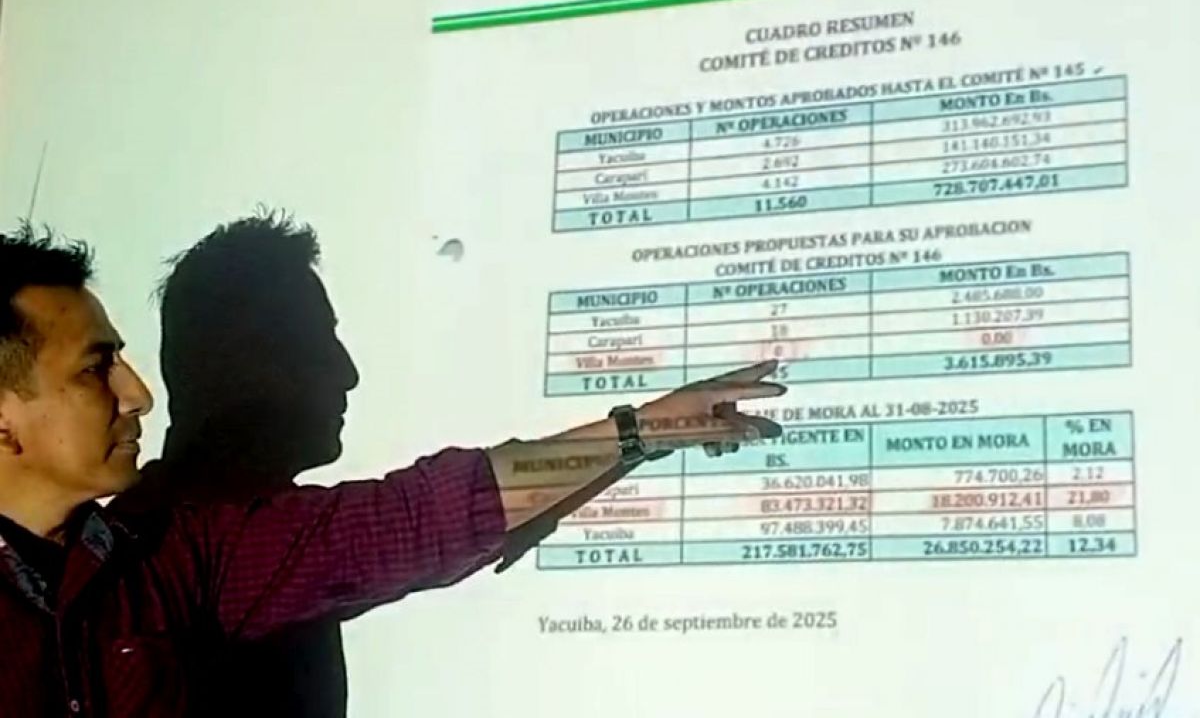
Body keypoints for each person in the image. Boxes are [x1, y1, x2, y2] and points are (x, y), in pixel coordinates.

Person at [0, 220, 785, 717]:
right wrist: (636, 435)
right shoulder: (179, 547)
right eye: (96, 369)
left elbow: (423, 517)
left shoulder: (176, 562)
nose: (135, 394)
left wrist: (639, 432)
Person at [109, 212, 363, 717]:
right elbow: (425, 518)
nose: (346, 372)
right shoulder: (199, 549)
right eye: (314, 343)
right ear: (238, 363)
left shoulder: (146, 533)